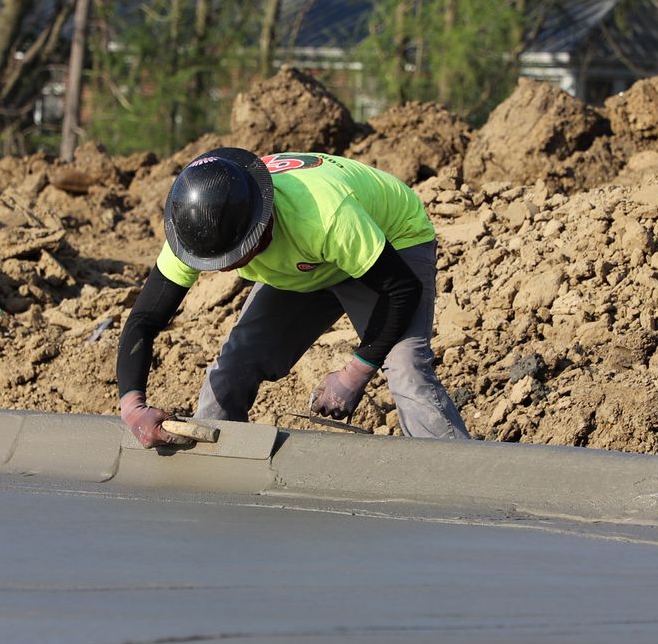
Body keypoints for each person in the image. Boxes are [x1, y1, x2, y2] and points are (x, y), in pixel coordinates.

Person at [116, 147, 471, 447]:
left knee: (408, 371)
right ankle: (213, 477)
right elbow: (144, 321)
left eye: (231, 258)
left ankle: (463, 483)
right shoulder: (198, 227)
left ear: (259, 226)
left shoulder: (325, 215)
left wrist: (354, 373)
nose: (223, 270)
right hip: (305, 261)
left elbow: (402, 290)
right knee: (234, 367)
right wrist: (132, 407)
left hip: (390, 242)